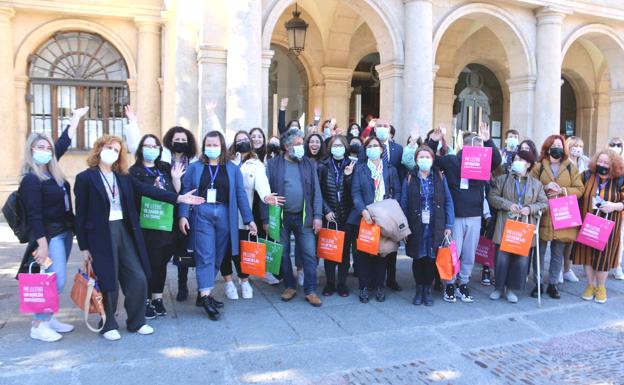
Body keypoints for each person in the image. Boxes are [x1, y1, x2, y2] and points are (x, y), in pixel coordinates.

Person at [74, 135, 203, 341]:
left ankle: (136, 321)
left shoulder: (123, 176)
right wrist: (84, 247)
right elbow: (79, 216)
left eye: (117, 150)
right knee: (109, 280)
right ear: (99, 149)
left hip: (124, 231)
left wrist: (178, 198)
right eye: (109, 148)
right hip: (101, 234)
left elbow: (148, 190)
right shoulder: (85, 178)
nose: (113, 153)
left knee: (138, 276)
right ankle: (108, 324)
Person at [18, 107, 88, 342]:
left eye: (48, 148)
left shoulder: (51, 171)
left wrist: (75, 119)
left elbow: (63, 143)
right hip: (49, 236)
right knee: (53, 279)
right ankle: (39, 324)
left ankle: (50, 317)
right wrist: (42, 244)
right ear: (31, 150)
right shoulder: (31, 178)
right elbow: (34, 215)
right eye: (40, 148)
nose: (46, 151)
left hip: (64, 231)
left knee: (53, 277)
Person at [178, 131, 258, 320]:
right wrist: (183, 215)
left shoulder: (232, 168)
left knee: (218, 255)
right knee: (205, 254)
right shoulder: (195, 168)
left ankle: (203, 292)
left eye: (215, 145)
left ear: (222, 146)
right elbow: (185, 192)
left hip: (224, 215)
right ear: (204, 146)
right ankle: (206, 297)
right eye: (209, 144)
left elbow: (240, 195)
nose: (212, 148)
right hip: (202, 213)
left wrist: (249, 219)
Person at [427, 123, 502, 303]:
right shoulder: (453, 161)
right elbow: (431, 160)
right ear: (465, 147)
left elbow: (497, 161)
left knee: (469, 253)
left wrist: (488, 141)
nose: (480, 151)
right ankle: (450, 283)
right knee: (454, 251)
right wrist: (433, 141)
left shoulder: (483, 162)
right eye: (476, 148)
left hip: (475, 216)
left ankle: (464, 282)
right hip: (456, 217)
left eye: (481, 148)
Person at [263, 128, 324, 307]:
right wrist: (266, 219)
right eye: (298, 144)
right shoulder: (273, 164)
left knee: (309, 254)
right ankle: (289, 286)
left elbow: (316, 193)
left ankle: (311, 290)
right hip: (281, 217)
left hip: (304, 218)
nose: (301, 147)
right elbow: (264, 194)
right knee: (282, 253)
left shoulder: (308, 164)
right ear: (287, 146)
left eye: (301, 144)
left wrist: (318, 216)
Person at [220, 130, 284, 300]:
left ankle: (244, 280)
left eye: (245, 139)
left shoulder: (256, 164)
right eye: (239, 140)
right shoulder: (225, 161)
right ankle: (228, 282)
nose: (243, 142)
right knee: (225, 250)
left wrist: (266, 196)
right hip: (223, 214)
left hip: (243, 216)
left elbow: (261, 183)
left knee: (242, 251)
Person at [129, 134, 185, 318]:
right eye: (148, 146)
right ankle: (144, 300)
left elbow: (177, 193)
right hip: (146, 227)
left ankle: (157, 299)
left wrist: (176, 179)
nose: (151, 150)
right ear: (141, 148)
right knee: (147, 264)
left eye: (155, 147)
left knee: (161, 263)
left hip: (166, 225)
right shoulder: (134, 172)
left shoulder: (165, 168)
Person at [488, 151, 548, 303]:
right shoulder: (502, 179)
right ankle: (499, 287)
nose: (517, 161)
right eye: (515, 159)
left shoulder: (536, 184)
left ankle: (512, 289)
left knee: (521, 260)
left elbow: (544, 203)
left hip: (525, 226)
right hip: (505, 224)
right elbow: (492, 197)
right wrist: (508, 205)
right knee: (502, 258)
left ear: (528, 164)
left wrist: (530, 208)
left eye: (520, 159)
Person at [529, 135, 584, 299]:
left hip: (563, 214)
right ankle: (537, 283)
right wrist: (545, 187)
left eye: (559, 145)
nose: (556, 147)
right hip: (543, 213)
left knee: (558, 252)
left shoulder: (570, 167)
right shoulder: (539, 166)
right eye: (553, 145)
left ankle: (553, 283)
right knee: (539, 250)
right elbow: (530, 186)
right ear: (547, 148)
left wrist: (563, 190)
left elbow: (579, 189)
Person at [348, 136, 401, 303]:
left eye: (375, 146)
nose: (372, 149)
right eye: (369, 146)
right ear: (366, 150)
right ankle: (364, 287)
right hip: (365, 217)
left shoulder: (390, 169)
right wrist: (363, 210)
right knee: (363, 254)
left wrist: (391, 210)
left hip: (384, 217)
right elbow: (355, 192)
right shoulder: (360, 168)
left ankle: (379, 286)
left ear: (381, 149)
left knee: (381, 254)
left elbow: (397, 192)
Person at [401, 146, 454, 306]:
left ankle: (427, 290)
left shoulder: (439, 176)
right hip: (416, 224)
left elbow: (448, 201)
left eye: (427, 157)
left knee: (431, 258)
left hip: (435, 224)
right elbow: (403, 202)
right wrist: (403, 227)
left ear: (432, 159)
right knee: (418, 258)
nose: (424, 160)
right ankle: (419, 289)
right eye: (421, 157)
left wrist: (449, 225)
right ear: (416, 160)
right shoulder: (410, 177)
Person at [573, 150, 624, 303]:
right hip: (587, 222)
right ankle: (590, 285)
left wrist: (614, 206)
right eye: (600, 162)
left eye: (607, 163)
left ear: (613, 165)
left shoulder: (620, 180)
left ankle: (601, 287)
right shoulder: (587, 175)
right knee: (587, 254)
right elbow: (577, 191)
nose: (602, 165)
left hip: (609, 225)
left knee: (604, 256)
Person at [160, 125, 199, 302]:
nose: (180, 143)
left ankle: (184, 286)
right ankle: (166, 287)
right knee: (170, 248)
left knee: (186, 248)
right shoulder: (163, 159)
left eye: (184, 140)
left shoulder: (194, 161)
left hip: (189, 210)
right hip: (168, 209)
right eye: (177, 140)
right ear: (170, 140)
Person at [318, 135, 356, 297]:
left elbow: (354, 190)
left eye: (341, 145)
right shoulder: (323, 166)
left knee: (344, 252)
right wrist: (326, 210)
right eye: (335, 145)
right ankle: (330, 283)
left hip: (346, 215)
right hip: (330, 215)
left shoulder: (352, 164)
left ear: (345, 147)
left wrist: (348, 176)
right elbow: (318, 192)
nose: (338, 148)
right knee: (329, 251)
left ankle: (341, 283)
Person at [372, 121, 404, 291]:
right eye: (379, 125)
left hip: (391, 202)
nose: (382, 128)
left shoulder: (398, 149)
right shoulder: (369, 146)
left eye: (385, 125)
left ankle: (391, 278)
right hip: (373, 203)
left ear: (390, 130)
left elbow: (402, 171)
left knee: (392, 243)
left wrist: (396, 203)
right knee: (375, 244)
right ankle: (374, 280)